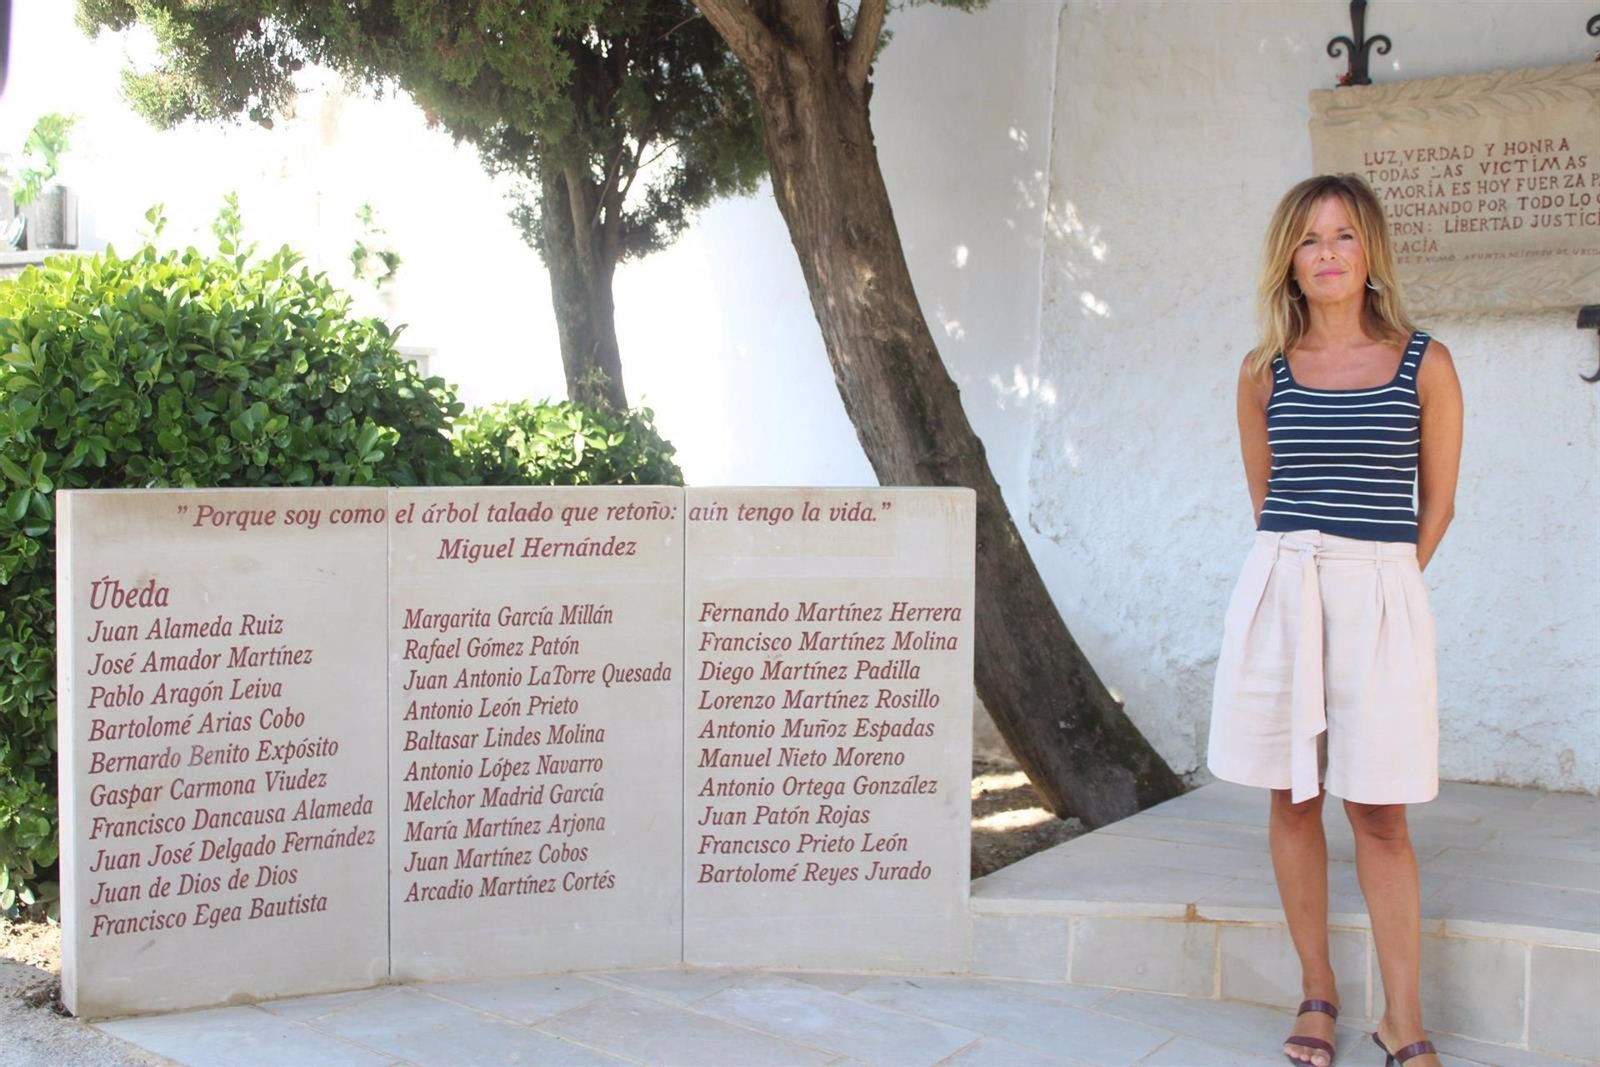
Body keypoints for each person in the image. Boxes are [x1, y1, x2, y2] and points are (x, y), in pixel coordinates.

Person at [1207, 173, 1463, 1067]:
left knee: (1380, 809)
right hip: (1285, 580)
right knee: (1294, 794)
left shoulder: (1425, 362)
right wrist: (1305, 585)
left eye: (1344, 235)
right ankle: (1317, 990)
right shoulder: (1262, 371)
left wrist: (1380, 590)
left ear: (1370, 250)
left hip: (1381, 590)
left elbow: (1437, 505)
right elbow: (1265, 498)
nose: (1327, 253)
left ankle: (1404, 1017)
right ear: (1289, 259)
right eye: (1310, 239)